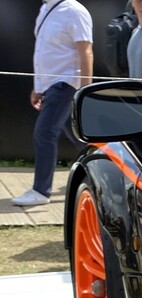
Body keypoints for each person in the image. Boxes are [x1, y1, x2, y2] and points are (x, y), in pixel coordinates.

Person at [12, 0, 93, 208]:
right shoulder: (45, 9)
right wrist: (39, 86)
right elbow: (44, 53)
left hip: (67, 83)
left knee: (44, 132)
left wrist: (85, 91)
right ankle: (105, 174)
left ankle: (41, 190)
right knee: (79, 138)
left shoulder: (75, 11)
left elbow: (86, 51)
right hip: (51, 86)